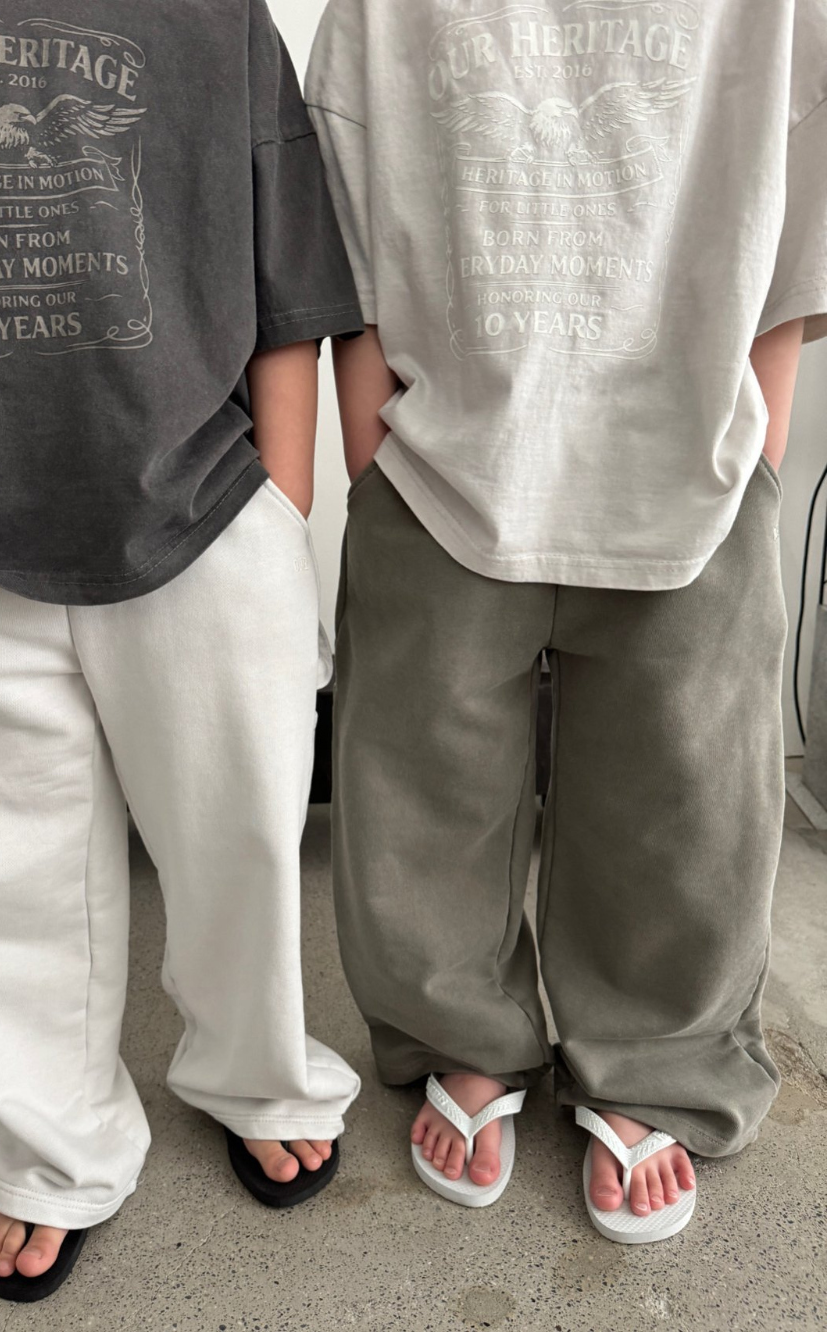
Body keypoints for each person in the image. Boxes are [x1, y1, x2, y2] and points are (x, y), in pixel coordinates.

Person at [0, 0, 363, 1301]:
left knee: (235, 830)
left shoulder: (214, 15)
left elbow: (288, 275)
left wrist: (282, 513)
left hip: (204, 505)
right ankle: (48, 1143)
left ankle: (255, 1070)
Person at [306, 0, 827, 1242]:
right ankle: (458, 1035)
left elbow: (796, 217)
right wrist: (372, 465)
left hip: (694, 458)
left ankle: (657, 1060)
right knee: (419, 786)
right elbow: (345, 214)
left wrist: (756, 459)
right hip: (440, 456)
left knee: (684, 801)